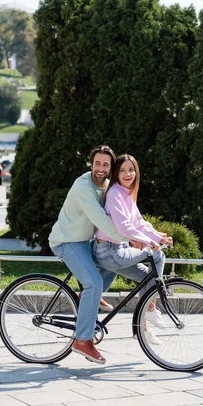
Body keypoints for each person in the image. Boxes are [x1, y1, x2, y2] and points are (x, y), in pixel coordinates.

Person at [49, 145, 142, 365]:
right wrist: (129, 239)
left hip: (86, 241)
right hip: (67, 241)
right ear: (91, 163)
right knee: (93, 282)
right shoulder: (83, 186)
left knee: (112, 262)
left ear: (111, 168)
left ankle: (86, 298)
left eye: (106, 165)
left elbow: (123, 215)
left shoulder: (109, 186)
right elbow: (100, 219)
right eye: (97, 163)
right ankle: (82, 340)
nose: (100, 168)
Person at [93, 154, 173, 345]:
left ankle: (142, 327)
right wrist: (149, 243)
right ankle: (151, 308)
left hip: (117, 251)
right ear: (116, 174)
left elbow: (138, 223)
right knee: (158, 256)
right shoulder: (114, 194)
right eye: (122, 170)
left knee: (147, 277)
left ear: (136, 171)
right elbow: (124, 227)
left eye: (131, 169)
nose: (128, 173)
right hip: (109, 251)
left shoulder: (127, 193)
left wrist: (157, 237)